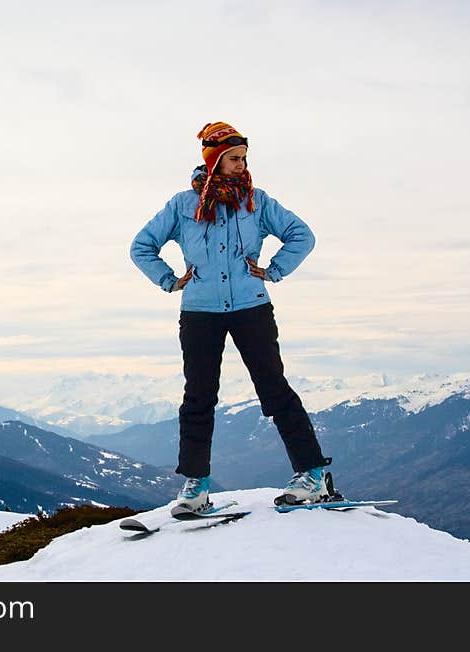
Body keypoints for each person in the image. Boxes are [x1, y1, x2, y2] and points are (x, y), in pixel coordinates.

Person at [130, 120, 335, 513]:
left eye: (244, 158)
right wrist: (169, 281)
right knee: (198, 397)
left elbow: (301, 235)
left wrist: (274, 270)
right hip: (199, 312)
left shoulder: (255, 201)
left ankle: (311, 473)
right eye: (234, 159)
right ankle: (195, 485)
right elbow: (142, 246)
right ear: (213, 161)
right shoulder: (182, 205)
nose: (242, 165)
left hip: (251, 308)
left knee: (274, 389)